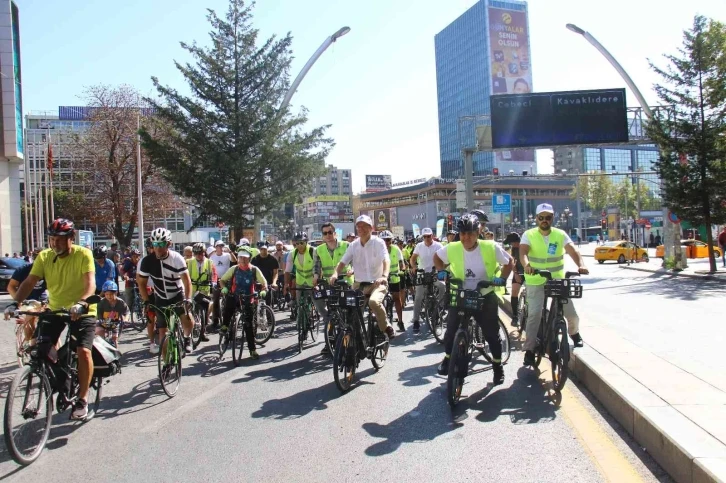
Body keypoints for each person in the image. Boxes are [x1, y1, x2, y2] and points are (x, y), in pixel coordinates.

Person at [11, 218, 98, 420]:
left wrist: (83, 302)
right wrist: (15, 303)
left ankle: (83, 399)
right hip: (56, 309)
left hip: (82, 309)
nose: (54, 244)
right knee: (40, 349)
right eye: (51, 239)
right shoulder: (44, 256)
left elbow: (90, 284)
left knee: (83, 351)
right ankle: (62, 381)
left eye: (59, 240)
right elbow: (30, 281)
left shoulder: (83, 254)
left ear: (71, 238)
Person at [434, 213, 513, 385]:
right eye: (463, 233)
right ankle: (448, 358)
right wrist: (442, 272)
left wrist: (502, 279)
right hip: (461, 294)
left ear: (478, 233)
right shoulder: (453, 247)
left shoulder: (490, 247)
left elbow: (509, 262)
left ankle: (497, 366)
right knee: (450, 331)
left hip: (484, 295)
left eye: (470, 233)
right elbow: (437, 258)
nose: (466, 237)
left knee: (491, 334)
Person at [520, 203, 589, 367]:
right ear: (537, 219)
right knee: (534, 316)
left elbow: (573, 251)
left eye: (548, 217)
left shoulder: (560, 234)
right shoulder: (528, 235)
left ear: (552, 218)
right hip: (535, 280)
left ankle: (574, 333)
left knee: (571, 314)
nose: (545, 220)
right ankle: (529, 350)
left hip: (556, 280)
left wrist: (581, 264)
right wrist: (526, 265)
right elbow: (522, 253)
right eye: (541, 217)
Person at [329, 215, 396, 340]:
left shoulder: (379, 242)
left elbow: (386, 260)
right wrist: (335, 273)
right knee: (350, 309)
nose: (361, 229)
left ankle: (386, 327)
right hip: (359, 285)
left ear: (371, 228)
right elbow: (342, 262)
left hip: (377, 283)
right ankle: (356, 341)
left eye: (365, 226)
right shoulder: (353, 245)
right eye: (359, 226)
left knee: (373, 302)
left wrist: (384, 276)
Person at [137, 228, 194, 356]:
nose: (158, 248)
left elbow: (187, 281)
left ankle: (187, 337)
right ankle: (166, 364)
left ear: (169, 244)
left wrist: (188, 298)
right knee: (163, 333)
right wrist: (146, 301)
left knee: (187, 317)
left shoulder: (177, 258)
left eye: (161, 244)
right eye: (155, 244)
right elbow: (141, 283)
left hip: (178, 294)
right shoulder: (147, 261)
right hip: (161, 297)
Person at [218, 247, 267, 360]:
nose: (242, 260)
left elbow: (264, 282)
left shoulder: (254, 270)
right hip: (235, 296)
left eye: (245, 258)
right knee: (228, 306)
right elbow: (222, 280)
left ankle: (252, 350)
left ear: (249, 258)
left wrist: (264, 290)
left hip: (248, 298)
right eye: (240, 258)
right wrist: (224, 288)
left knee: (248, 325)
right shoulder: (234, 269)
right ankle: (225, 326)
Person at [311, 223, 352, 353]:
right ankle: (329, 342)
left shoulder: (346, 245)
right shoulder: (319, 250)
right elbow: (317, 267)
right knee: (329, 315)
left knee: (347, 314)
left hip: (346, 282)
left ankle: (349, 340)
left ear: (335, 233)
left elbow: (356, 261)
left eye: (330, 232)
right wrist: (316, 277)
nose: (327, 235)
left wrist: (353, 270)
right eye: (325, 233)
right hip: (329, 284)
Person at [409, 227, 444, 334]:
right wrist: (414, 267)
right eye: (425, 236)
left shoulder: (439, 245)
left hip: (434, 274)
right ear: (422, 237)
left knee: (442, 286)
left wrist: (441, 269)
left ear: (432, 236)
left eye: (429, 236)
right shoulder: (419, 246)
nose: (427, 238)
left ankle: (440, 305)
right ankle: (416, 321)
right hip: (422, 273)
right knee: (418, 297)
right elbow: (412, 259)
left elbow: (444, 258)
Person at [5, 260, 48, 348]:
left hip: (43, 300)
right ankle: (30, 345)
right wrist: (18, 301)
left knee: (52, 320)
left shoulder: (49, 269)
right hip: (26, 300)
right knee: (30, 314)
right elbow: (11, 287)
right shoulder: (23, 270)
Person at [187, 242, 215, 342]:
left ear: (204, 253)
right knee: (189, 310)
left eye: (201, 253)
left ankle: (203, 332)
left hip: (204, 288)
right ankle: (188, 334)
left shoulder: (209, 262)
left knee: (205, 310)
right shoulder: (189, 262)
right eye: (196, 253)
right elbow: (185, 275)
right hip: (193, 288)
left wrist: (214, 282)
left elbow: (214, 274)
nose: (199, 255)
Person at [379, 230, 405, 330]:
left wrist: (402, 268)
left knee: (397, 299)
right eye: (384, 240)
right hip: (382, 278)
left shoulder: (396, 249)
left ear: (391, 240)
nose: (386, 242)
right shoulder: (377, 250)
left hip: (394, 278)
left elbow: (401, 262)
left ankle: (400, 321)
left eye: (388, 240)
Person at [209, 241, 236, 328]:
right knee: (215, 300)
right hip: (216, 280)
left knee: (229, 299)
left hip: (226, 280)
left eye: (222, 246)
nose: (220, 248)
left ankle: (228, 318)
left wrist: (230, 251)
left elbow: (234, 260)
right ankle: (215, 320)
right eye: (219, 246)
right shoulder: (212, 256)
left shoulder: (227, 255)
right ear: (215, 247)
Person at [284, 232, 315, 305]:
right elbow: (287, 271)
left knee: (318, 303)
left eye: (301, 243)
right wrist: (286, 284)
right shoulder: (292, 254)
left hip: (313, 281)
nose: (299, 245)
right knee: (300, 304)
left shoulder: (313, 251)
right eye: (296, 244)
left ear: (306, 242)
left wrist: (317, 281)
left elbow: (319, 267)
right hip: (300, 281)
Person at [96, 281, 128, 347]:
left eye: (111, 294)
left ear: (116, 293)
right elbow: (98, 313)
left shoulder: (121, 303)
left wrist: (125, 319)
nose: (109, 296)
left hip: (115, 323)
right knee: (99, 336)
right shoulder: (101, 303)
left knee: (115, 340)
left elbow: (127, 312)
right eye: (106, 294)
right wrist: (100, 320)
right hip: (103, 322)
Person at [504, 232, 525, 326]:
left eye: (511, 243)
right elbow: (512, 261)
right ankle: (515, 316)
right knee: (514, 291)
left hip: (530, 272)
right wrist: (516, 274)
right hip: (519, 272)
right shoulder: (514, 248)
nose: (511, 245)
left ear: (516, 241)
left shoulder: (525, 246)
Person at [251, 243, 279, 307]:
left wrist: (274, 282)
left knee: (268, 304)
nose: (263, 251)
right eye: (261, 249)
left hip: (268, 283)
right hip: (257, 283)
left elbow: (275, 273)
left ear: (267, 249)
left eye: (265, 249)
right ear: (259, 249)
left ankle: (269, 316)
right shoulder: (254, 259)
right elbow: (251, 272)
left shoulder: (273, 259)